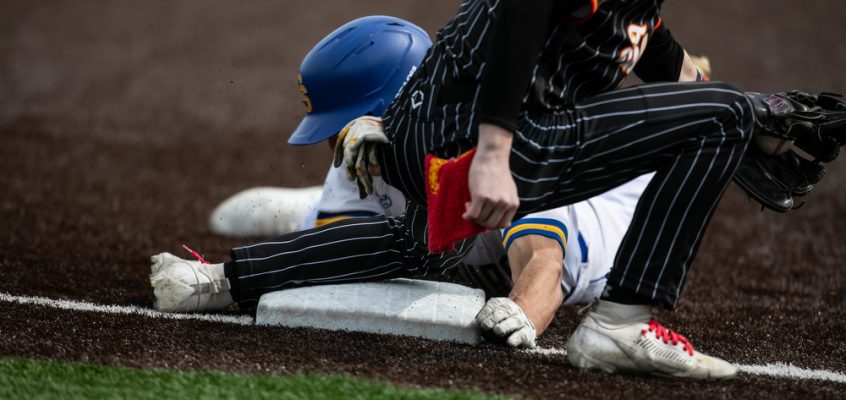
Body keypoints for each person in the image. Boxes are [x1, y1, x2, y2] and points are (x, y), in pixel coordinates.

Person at [151, 1, 797, 379]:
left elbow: (647, 42)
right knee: (726, 115)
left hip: (432, 133)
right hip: (501, 141)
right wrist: (493, 152)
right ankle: (622, 324)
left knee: (426, 243)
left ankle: (215, 282)